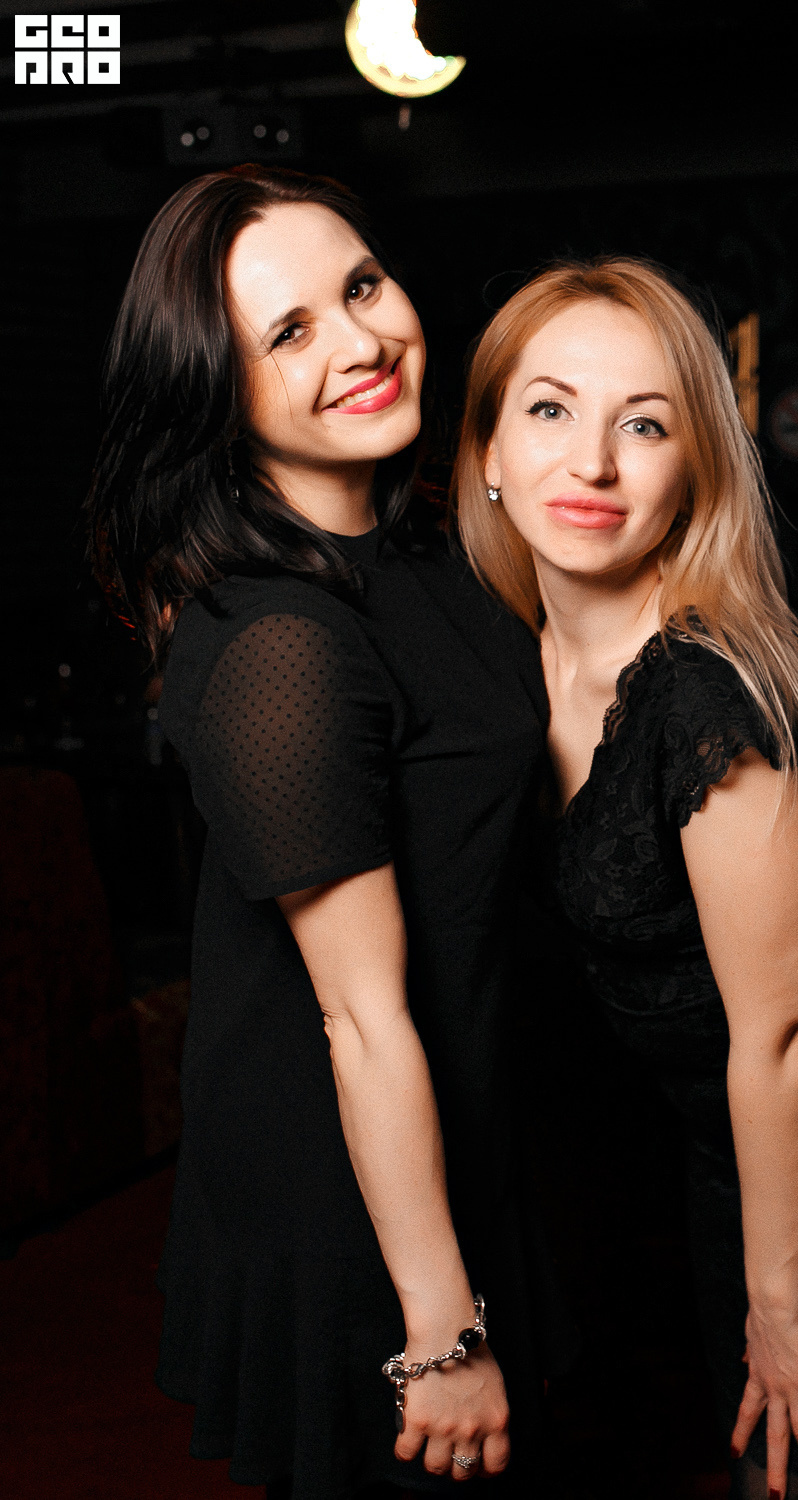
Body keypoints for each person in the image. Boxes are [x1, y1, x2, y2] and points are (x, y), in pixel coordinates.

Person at [452, 257, 798, 1499]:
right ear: (485, 449)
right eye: (549, 409)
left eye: (643, 424)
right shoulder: (497, 663)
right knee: (770, 1466)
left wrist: (778, 1302)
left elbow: (789, 1034)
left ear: (694, 467)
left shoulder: (703, 697)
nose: (591, 463)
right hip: (734, 1139)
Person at [87, 165, 553, 1500]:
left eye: (361, 286)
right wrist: (440, 1331)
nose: (360, 340)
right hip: (362, 1207)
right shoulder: (280, 645)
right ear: (214, 393)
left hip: (480, 1129)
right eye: (289, 332)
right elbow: (357, 1018)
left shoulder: (423, 550)